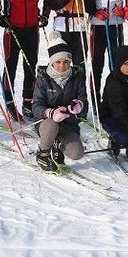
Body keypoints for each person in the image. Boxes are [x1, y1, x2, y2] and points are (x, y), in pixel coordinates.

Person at [0, 0, 50, 120]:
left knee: (30, 66)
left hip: (31, 29)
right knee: (10, 66)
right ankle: (10, 104)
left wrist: (45, 15)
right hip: (12, 29)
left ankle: (28, 103)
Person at [31, 32, 88, 171]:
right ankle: (43, 154)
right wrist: (50, 112)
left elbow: (84, 103)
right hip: (46, 123)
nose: (62, 66)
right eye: (58, 62)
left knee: (77, 153)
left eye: (66, 62)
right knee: (51, 125)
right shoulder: (43, 79)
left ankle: (57, 145)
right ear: (51, 62)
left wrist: (79, 106)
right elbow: (36, 106)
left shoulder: (77, 77)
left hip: (68, 124)